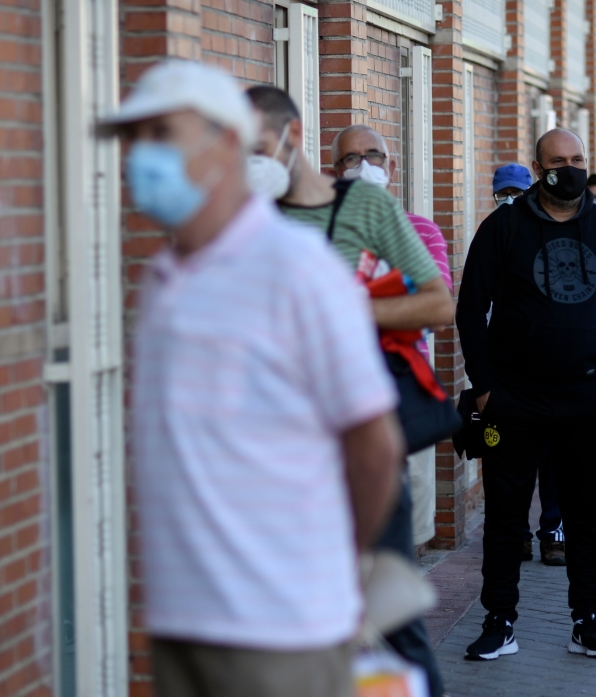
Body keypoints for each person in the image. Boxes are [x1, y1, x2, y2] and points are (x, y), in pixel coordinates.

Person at [102, 60, 403, 697]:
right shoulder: (162, 278)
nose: (140, 157)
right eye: (134, 140)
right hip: (180, 621)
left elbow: (374, 448)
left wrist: (327, 569)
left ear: (229, 145)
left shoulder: (297, 270)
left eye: (163, 135)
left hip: (282, 630)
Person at [245, 88, 451, 697]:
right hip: (284, 445)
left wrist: (346, 305)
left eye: (255, 147)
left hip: (363, 436)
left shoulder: (364, 206)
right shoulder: (245, 217)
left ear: (291, 137)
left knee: (388, 612)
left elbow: (438, 302)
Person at [457, 128, 596, 661]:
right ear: (538, 169)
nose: (572, 167)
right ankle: (499, 621)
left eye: (579, 158)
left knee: (584, 518)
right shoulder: (504, 227)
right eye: (559, 161)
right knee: (505, 516)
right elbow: (471, 307)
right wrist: (486, 388)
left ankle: (588, 622)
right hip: (513, 401)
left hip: (588, 400)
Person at [492, 163, 566, 565]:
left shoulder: (547, 235)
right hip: (508, 369)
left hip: (551, 368)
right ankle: (518, 532)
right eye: (502, 194)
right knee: (514, 459)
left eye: (516, 194)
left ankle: (553, 531)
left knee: (553, 458)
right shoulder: (492, 234)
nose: (509, 201)